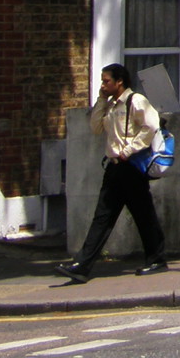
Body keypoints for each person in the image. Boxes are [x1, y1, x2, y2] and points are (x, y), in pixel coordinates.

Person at [55, 64, 167, 283]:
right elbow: (96, 128)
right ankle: (82, 265)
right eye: (102, 81)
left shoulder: (135, 101)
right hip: (114, 168)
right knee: (103, 217)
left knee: (144, 215)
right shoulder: (110, 105)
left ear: (119, 82)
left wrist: (129, 149)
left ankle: (157, 259)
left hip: (132, 167)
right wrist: (100, 100)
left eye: (106, 81)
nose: (103, 85)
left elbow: (151, 126)